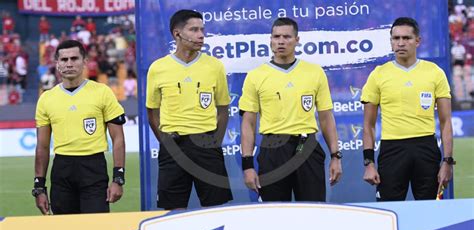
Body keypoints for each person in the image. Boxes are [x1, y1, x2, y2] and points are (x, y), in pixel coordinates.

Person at [239, 17, 342, 202]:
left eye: (286, 37)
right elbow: (248, 123)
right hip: (273, 151)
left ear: (297, 40)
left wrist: (335, 156)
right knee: (275, 214)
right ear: (270, 40)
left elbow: (326, 117)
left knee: (313, 212)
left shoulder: (314, 72)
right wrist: (247, 165)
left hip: (307, 148)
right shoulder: (255, 76)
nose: (281, 41)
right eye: (276, 36)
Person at [146, 10, 233, 210]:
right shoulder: (158, 68)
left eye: (202, 29)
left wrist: (214, 142)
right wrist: (167, 142)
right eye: (194, 30)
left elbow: (223, 108)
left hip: (207, 146)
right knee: (173, 211)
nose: (201, 35)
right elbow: (152, 112)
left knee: (216, 209)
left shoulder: (215, 66)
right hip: (173, 146)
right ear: (177, 34)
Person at [361, 17, 454, 201]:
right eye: (396, 38)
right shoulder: (378, 74)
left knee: (431, 212)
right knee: (389, 210)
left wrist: (447, 162)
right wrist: (369, 162)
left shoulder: (435, 72)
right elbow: (368, 125)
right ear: (391, 42)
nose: (401, 43)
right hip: (392, 150)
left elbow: (445, 122)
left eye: (406, 38)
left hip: (426, 148)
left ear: (417, 41)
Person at [33, 40, 126, 215]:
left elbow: (118, 138)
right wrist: (39, 187)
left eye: (74, 58)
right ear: (57, 64)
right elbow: (42, 147)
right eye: (64, 59)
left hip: (94, 167)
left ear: (84, 61)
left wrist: (118, 179)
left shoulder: (102, 92)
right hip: (61, 170)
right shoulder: (46, 98)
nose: (69, 63)